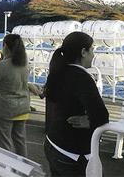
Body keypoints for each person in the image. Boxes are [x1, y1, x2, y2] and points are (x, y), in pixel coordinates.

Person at [44, 31, 109, 177]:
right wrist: (90, 120)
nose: (93, 55)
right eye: (92, 50)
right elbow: (102, 117)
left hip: (53, 143)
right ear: (83, 52)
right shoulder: (82, 78)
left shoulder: (58, 71)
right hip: (72, 152)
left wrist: (89, 119)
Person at [0, 34, 30, 156]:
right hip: (22, 108)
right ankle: (23, 168)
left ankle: (6, 170)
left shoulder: (2, 65)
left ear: (5, 46)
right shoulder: (25, 64)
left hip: (5, 109)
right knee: (20, 141)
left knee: (4, 143)